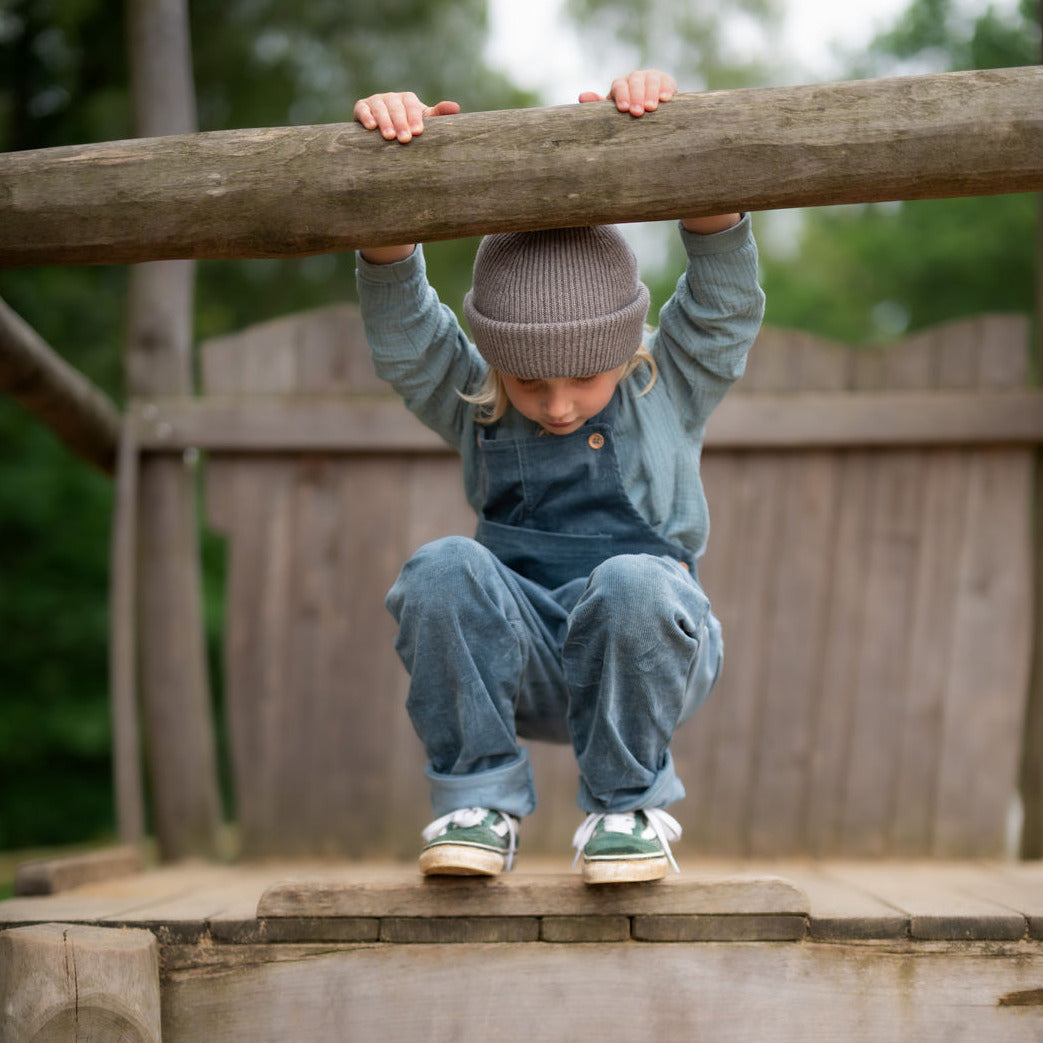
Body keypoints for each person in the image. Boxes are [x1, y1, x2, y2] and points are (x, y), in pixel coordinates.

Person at [353, 70, 765, 884]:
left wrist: (679, 141)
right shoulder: (476, 400)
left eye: (583, 376)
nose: (558, 404)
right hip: (522, 656)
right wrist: (388, 185)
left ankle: (626, 808)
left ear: (626, 346)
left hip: (651, 647)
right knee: (440, 566)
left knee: (629, 584)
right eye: (528, 380)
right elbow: (407, 337)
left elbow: (723, 300)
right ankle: (477, 802)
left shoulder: (669, 381)